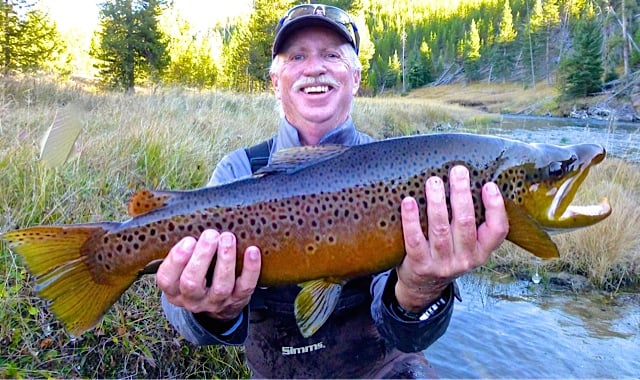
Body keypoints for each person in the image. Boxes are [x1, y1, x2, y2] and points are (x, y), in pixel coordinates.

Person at [157, 4, 509, 378]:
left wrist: (420, 292)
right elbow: (181, 313)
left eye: (332, 55)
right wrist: (208, 310)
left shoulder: (398, 172)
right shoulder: (238, 172)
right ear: (275, 82)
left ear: (355, 77)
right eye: (296, 56)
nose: (314, 67)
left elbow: (410, 334)